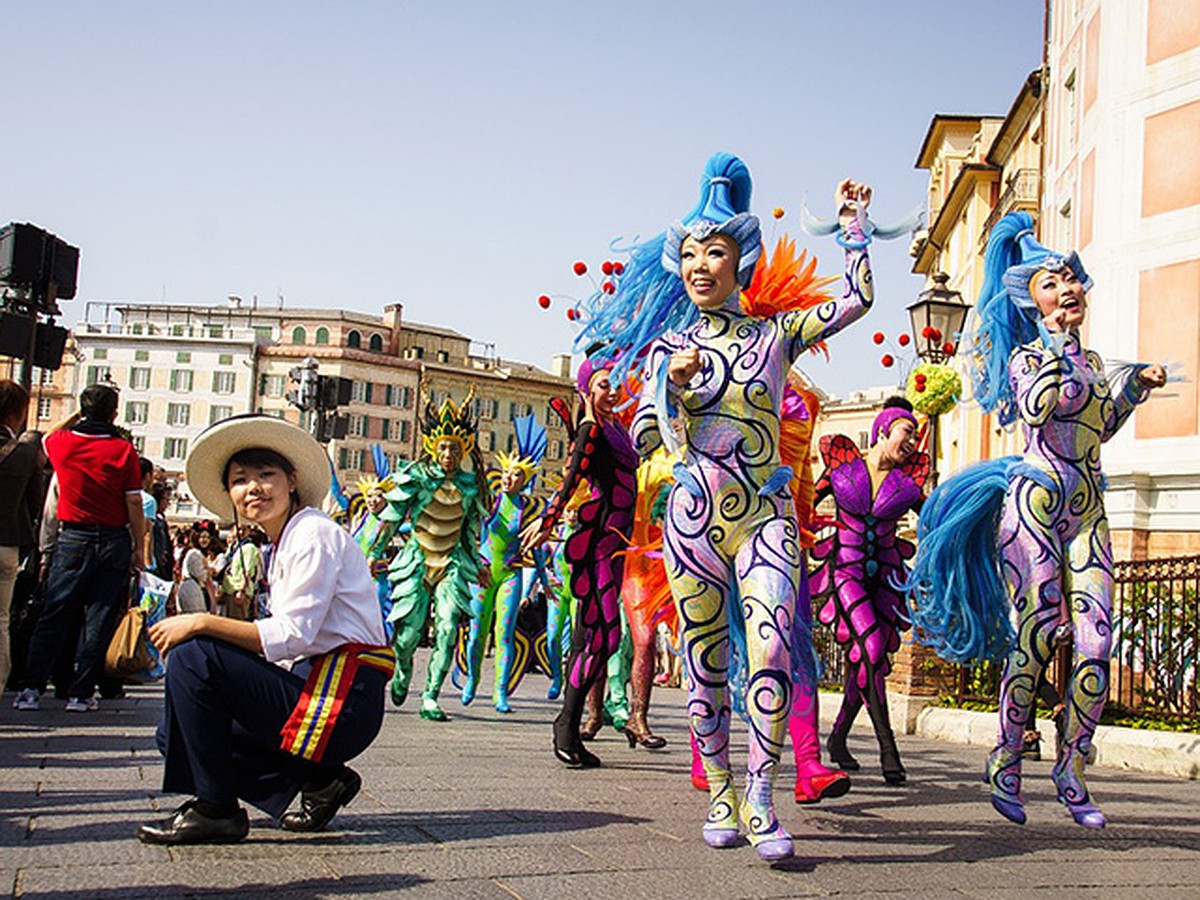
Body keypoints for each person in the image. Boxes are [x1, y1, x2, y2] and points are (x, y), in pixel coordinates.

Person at [582, 153, 875, 861]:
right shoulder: (670, 349)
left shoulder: (777, 336)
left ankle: (762, 796)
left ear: (741, 260)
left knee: (772, 643)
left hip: (766, 513)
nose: (698, 265)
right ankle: (719, 789)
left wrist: (854, 227)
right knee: (708, 661)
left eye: (713, 251)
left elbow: (858, 299)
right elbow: (648, 436)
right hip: (692, 518)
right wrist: (671, 390)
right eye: (688, 253)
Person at [904, 212, 1168, 829]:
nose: (1068, 288)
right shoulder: (1028, 356)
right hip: (1036, 501)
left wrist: (1131, 389)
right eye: (1053, 283)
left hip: (1088, 507)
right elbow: (1036, 406)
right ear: (1033, 300)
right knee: (1040, 633)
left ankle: (1072, 766)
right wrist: (1054, 346)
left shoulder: (1095, 360)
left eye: (1071, 279)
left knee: (1098, 643)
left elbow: (1096, 428)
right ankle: (1007, 757)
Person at [136, 414, 391, 845]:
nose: (254, 487)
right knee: (176, 733)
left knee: (193, 656)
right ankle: (320, 778)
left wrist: (200, 621)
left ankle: (216, 809)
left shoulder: (312, 534)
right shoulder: (283, 541)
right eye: (240, 479)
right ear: (231, 495)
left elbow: (294, 634)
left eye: (265, 475)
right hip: (312, 691)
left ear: (291, 481)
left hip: (342, 700)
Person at [520, 359, 638, 770]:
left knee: (599, 638)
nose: (613, 391)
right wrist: (547, 520)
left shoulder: (616, 428)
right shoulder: (591, 431)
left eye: (616, 384)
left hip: (616, 547)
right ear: (588, 389)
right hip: (597, 546)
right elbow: (570, 480)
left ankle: (570, 725)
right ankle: (566, 723)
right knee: (604, 636)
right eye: (605, 385)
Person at [813, 397, 927, 786]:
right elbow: (804, 504)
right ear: (883, 429)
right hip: (845, 573)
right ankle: (887, 749)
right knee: (873, 649)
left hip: (886, 577)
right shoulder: (842, 467)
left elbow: (935, 522)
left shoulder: (908, 483)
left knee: (869, 661)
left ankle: (839, 737)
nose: (912, 441)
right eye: (907, 432)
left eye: (915, 436)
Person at [13, 384, 145, 713]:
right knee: (99, 620)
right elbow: (133, 502)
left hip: (73, 537)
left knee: (54, 615)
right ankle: (81, 693)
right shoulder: (124, 450)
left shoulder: (63, 443)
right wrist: (139, 547)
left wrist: (78, 417)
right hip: (113, 539)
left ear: (82, 410)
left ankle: (31, 688)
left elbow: (44, 436)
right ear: (115, 413)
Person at [382, 391, 489, 722]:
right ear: (432, 446)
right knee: (408, 635)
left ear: (464, 450)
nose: (448, 454)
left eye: (455, 448)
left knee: (446, 629)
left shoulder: (472, 486)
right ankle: (402, 669)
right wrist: (374, 553)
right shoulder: (416, 478)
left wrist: (479, 564)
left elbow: (471, 532)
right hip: (417, 560)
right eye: (443, 447)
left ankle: (431, 695)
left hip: (452, 564)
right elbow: (392, 518)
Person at [462, 415, 546, 713]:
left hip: (511, 574)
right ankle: (473, 679)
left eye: (515, 475)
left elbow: (535, 549)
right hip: (484, 573)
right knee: (476, 634)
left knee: (505, 633)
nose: (509, 478)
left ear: (524, 480)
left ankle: (501, 692)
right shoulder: (491, 501)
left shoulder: (527, 508)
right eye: (506, 473)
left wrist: (545, 583)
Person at [0, 381, 45, 692]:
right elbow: (35, 504)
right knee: (1, 620)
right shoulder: (26, 454)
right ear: (19, 413)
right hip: (6, 542)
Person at [176, 524, 215, 614]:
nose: (205, 540)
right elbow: (201, 575)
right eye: (202, 537)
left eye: (208, 537)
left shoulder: (197, 553)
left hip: (192, 587)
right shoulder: (194, 553)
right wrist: (209, 570)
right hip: (191, 590)